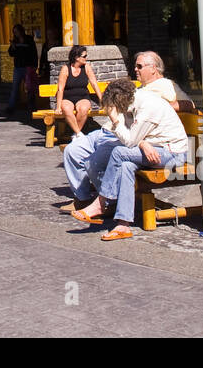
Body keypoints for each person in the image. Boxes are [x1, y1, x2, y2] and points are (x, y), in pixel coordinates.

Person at [71, 55, 189, 241]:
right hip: (155, 147)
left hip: (172, 153)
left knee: (119, 153)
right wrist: (142, 142)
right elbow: (134, 139)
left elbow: (128, 141)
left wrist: (115, 119)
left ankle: (102, 203)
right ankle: (123, 225)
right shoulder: (135, 102)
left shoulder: (147, 107)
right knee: (126, 165)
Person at [55, 44, 103, 138]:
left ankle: (76, 134)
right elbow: (60, 89)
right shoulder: (66, 69)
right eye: (84, 56)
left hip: (82, 96)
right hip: (67, 97)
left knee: (84, 108)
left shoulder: (86, 67)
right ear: (77, 57)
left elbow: (94, 84)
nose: (86, 58)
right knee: (67, 109)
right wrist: (58, 107)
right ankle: (79, 133)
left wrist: (102, 99)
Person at [5, 24, 38, 115]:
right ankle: (11, 107)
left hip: (28, 67)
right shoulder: (15, 41)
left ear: (21, 30)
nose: (16, 33)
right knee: (15, 87)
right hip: (18, 68)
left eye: (17, 31)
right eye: (14, 32)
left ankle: (31, 106)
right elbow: (11, 54)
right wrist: (13, 46)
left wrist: (35, 65)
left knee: (29, 87)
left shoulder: (29, 39)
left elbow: (34, 52)